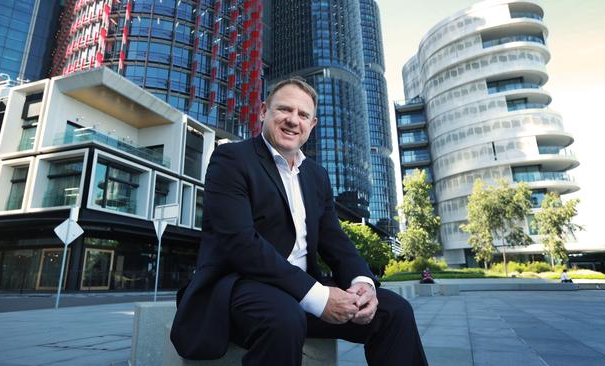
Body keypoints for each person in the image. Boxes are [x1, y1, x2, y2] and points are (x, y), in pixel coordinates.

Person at [170, 77, 428, 366]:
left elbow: (335, 240)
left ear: (312, 124)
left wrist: (362, 282)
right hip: (240, 287)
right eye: (284, 110)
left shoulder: (316, 176)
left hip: (303, 290)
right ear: (263, 111)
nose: (293, 120)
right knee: (283, 319)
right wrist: (318, 296)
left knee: (394, 311)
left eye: (303, 115)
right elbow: (240, 244)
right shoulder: (231, 159)